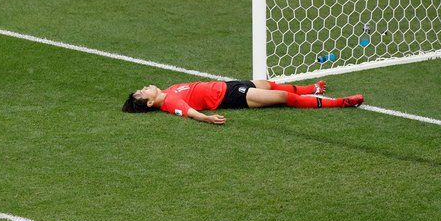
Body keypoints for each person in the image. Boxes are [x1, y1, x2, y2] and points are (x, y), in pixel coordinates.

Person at [122, 80, 363, 125]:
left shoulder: (168, 91)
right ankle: (340, 103)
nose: (145, 88)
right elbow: (189, 112)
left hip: (228, 85)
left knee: (269, 84)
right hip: (231, 96)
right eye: (143, 93)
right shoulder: (170, 101)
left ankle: (312, 89)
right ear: (150, 103)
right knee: (282, 97)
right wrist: (208, 118)